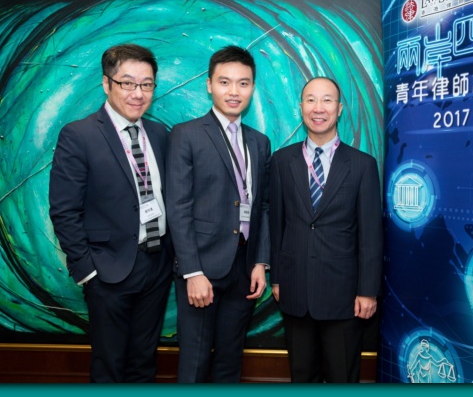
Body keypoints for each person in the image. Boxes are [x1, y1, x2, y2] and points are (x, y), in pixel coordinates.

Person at [49, 43, 173, 382]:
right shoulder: (79, 135)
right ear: (107, 84)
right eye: (127, 83)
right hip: (107, 270)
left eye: (146, 84)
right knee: (109, 365)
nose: (138, 93)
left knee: (144, 362)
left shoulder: (160, 134)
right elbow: (64, 209)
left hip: (157, 264)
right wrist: (87, 271)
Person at [166, 45, 271, 383]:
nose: (234, 91)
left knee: (230, 360)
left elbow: (262, 205)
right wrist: (192, 271)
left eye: (243, 83)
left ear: (252, 88)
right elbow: (178, 207)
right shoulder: (186, 134)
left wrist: (260, 262)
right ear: (209, 85)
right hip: (202, 268)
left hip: (244, 267)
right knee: (195, 363)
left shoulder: (259, 142)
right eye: (225, 82)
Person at [269, 77, 383, 383]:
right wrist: (277, 278)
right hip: (295, 290)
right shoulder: (282, 161)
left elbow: (371, 236)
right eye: (311, 100)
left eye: (327, 100)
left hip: (344, 296)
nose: (318, 108)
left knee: (342, 375)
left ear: (340, 108)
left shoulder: (362, 165)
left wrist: (367, 290)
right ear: (301, 107)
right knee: (301, 375)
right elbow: (277, 223)